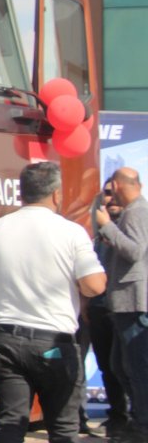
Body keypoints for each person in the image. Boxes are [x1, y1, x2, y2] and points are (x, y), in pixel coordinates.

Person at [0, 161, 106, 443]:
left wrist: (10, 280)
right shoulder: (71, 232)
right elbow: (94, 286)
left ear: (21, 193)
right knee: (63, 427)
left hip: (6, 340)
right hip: (53, 344)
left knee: (9, 423)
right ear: (56, 194)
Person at [94, 167, 148, 442]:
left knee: (136, 369)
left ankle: (142, 426)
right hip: (124, 304)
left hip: (134, 303)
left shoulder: (137, 211)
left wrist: (107, 226)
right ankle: (138, 419)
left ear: (116, 184)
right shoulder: (133, 211)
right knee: (120, 366)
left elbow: (136, 251)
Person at [87, 178, 129, 437]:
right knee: (107, 366)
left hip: (126, 308)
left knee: (127, 366)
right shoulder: (98, 233)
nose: (109, 200)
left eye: (114, 194)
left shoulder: (133, 226)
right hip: (100, 307)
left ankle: (136, 419)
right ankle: (117, 416)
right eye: (106, 195)